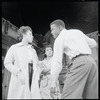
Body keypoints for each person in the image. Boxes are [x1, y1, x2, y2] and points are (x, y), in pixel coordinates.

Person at [50, 19, 98, 99]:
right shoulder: (77, 32)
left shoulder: (60, 38)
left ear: (60, 28)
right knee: (92, 96)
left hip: (80, 64)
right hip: (91, 62)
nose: (51, 32)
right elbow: (93, 43)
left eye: (52, 29)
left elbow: (57, 62)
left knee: (68, 96)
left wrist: (53, 82)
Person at [4, 26, 41, 99]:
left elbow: (37, 64)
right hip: (21, 78)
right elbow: (7, 63)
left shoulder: (33, 51)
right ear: (24, 35)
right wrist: (18, 72)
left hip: (32, 78)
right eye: (30, 34)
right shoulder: (14, 48)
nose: (32, 36)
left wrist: (38, 71)